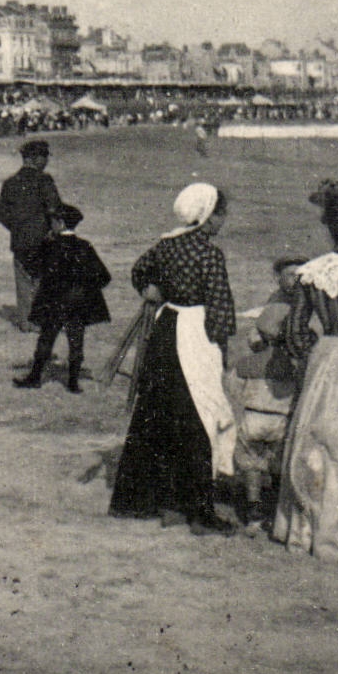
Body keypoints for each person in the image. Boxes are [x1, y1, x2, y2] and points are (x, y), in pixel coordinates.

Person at [109, 183, 238, 535]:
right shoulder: (209, 253)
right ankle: (199, 511)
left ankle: (159, 502)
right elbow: (220, 307)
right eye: (220, 214)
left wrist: (155, 290)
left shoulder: (166, 245)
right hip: (195, 333)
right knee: (199, 415)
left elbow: (139, 272)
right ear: (206, 216)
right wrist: (222, 349)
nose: (223, 221)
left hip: (165, 331)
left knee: (161, 413)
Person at [271, 184, 338, 560]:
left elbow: (295, 331)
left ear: (329, 228)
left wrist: (315, 356)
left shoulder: (311, 273)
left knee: (322, 440)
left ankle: (314, 529)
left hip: (327, 357)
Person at [226, 257, 309, 528]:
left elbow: (233, 383)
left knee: (252, 460)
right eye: (288, 275)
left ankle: (254, 505)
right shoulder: (282, 304)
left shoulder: (250, 363)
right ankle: (272, 507)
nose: (293, 280)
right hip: (281, 415)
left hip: (253, 415)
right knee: (277, 458)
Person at [13, 203, 111, 392]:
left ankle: (35, 377)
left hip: (53, 302)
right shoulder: (84, 246)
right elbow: (103, 276)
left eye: (53, 221)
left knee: (46, 339)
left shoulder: (50, 246)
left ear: (61, 223)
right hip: (77, 304)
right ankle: (73, 382)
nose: (51, 225)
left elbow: (32, 267)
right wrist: (85, 290)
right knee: (76, 341)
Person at [0, 140, 63, 333]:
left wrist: (18, 228)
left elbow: (2, 215)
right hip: (44, 240)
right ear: (35, 159)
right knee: (44, 280)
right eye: (45, 157)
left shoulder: (10, 182)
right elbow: (55, 209)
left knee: (24, 280)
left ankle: (26, 322)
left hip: (19, 240)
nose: (47, 161)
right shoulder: (44, 180)